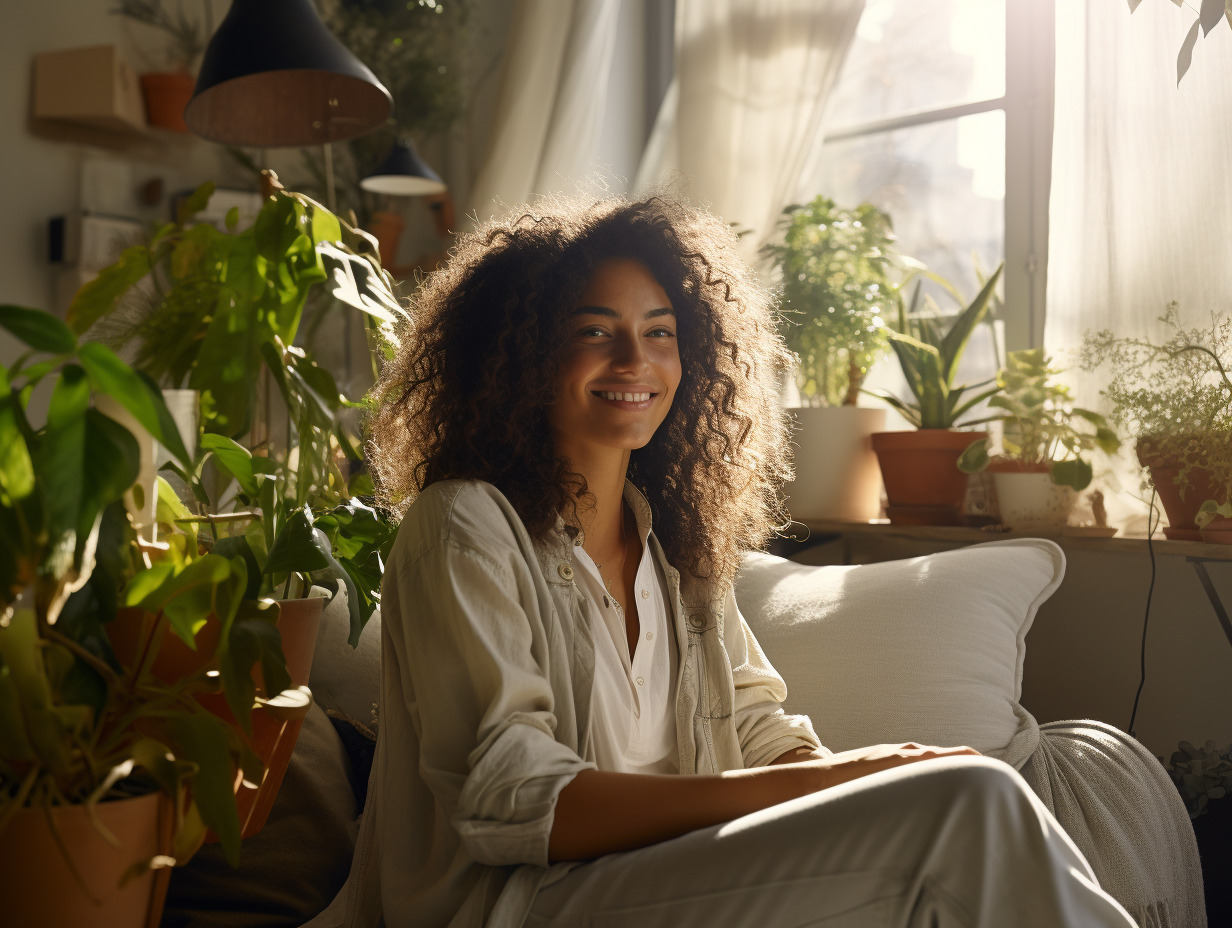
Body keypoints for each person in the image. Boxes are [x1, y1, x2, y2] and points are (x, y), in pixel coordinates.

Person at [306, 196, 1137, 928]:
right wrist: (831, 784)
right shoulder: (467, 524)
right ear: (519, 356)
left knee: (960, 805)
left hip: (670, 880)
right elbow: (517, 802)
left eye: (659, 333)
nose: (635, 361)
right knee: (971, 802)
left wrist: (845, 785)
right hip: (519, 902)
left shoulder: (673, 545)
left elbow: (753, 722)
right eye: (594, 331)